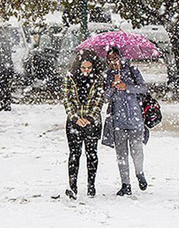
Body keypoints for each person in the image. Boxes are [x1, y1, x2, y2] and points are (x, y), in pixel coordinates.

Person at [102, 47, 149, 196]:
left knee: (137, 150)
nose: (113, 62)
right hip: (117, 120)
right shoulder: (109, 75)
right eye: (110, 59)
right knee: (121, 153)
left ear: (121, 57)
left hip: (135, 117)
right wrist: (112, 87)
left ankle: (140, 173)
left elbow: (143, 89)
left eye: (115, 58)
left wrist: (126, 87)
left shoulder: (132, 70)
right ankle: (125, 184)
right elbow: (105, 97)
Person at [62, 49, 105, 199]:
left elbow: (99, 100)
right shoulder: (70, 77)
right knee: (74, 154)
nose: (86, 71)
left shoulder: (98, 79)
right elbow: (67, 99)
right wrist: (75, 118)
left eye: (89, 68)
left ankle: (91, 185)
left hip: (92, 122)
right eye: (83, 68)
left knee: (91, 154)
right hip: (74, 122)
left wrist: (90, 118)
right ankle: (72, 186)